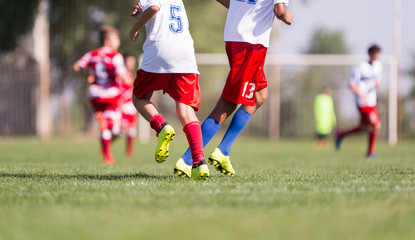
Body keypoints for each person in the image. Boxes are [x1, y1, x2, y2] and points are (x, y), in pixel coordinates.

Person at [175, 0, 293, 176]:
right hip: (251, 44)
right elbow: (279, 9)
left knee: (260, 95)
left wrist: (241, 8)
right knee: (228, 102)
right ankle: (187, 159)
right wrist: (286, 17)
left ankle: (223, 150)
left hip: (234, 37)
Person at [129, 0, 208, 180]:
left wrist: (134, 28)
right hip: (185, 53)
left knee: (139, 97)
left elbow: (154, 8)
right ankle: (199, 163)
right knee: (186, 111)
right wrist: (140, 10)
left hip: (160, 50)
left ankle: (161, 126)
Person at [73, 26, 133, 164]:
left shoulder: (92, 54)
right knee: (117, 131)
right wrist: (130, 81)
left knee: (105, 128)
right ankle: (107, 126)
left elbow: (76, 67)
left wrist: (88, 74)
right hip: (111, 95)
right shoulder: (115, 56)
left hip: (94, 94)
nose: (118, 43)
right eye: (116, 40)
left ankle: (107, 155)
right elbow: (123, 76)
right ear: (107, 41)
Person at [335, 44, 382, 159]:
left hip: (372, 102)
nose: (377, 58)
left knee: (366, 127)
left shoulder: (379, 66)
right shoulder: (361, 67)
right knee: (376, 125)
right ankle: (371, 152)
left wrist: (377, 84)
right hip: (362, 103)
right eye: (376, 55)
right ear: (370, 54)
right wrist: (362, 94)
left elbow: (378, 82)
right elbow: (351, 84)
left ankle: (341, 134)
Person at [119, 54, 139, 157]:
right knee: (120, 131)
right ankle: (105, 146)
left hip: (130, 105)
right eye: (129, 61)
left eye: (133, 62)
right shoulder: (120, 75)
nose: (132, 64)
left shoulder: (130, 75)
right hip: (122, 107)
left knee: (132, 130)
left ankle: (129, 152)